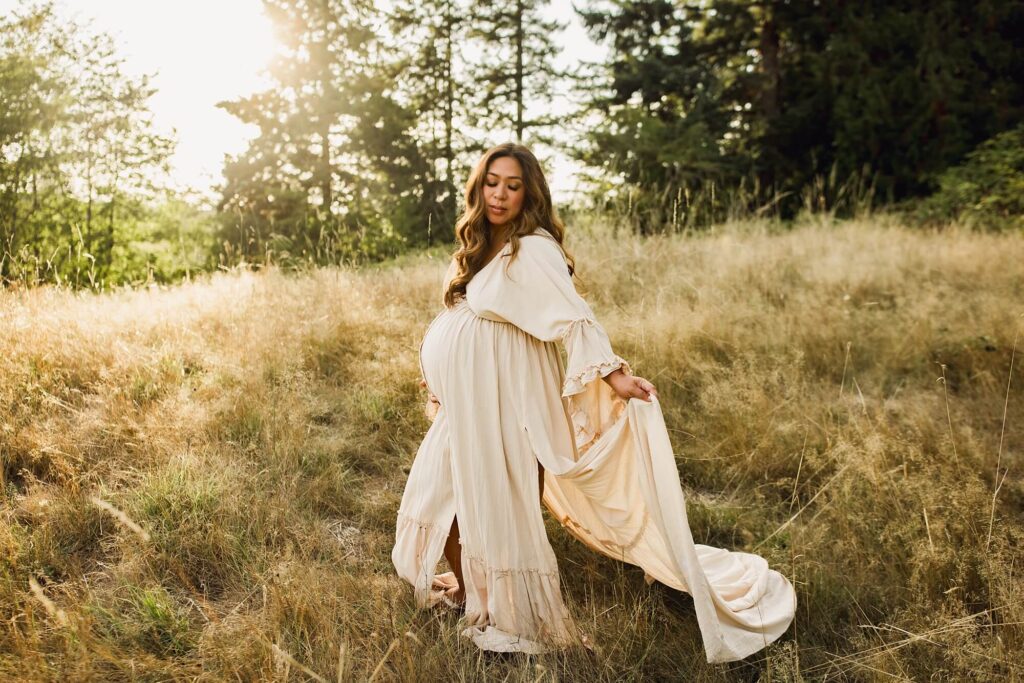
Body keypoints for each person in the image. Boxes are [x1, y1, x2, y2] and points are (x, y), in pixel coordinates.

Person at [392, 142, 797, 661]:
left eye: (513, 185)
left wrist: (615, 376)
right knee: (445, 493)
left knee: (497, 499)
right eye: (492, 182)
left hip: (508, 395)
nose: (500, 194)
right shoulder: (476, 242)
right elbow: (460, 315)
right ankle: (474, 593)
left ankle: (506, 608)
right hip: (467, 400)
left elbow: (575, 318)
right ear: (479, 185)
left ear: (528, 192)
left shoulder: (533, 247)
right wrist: (438, 370)